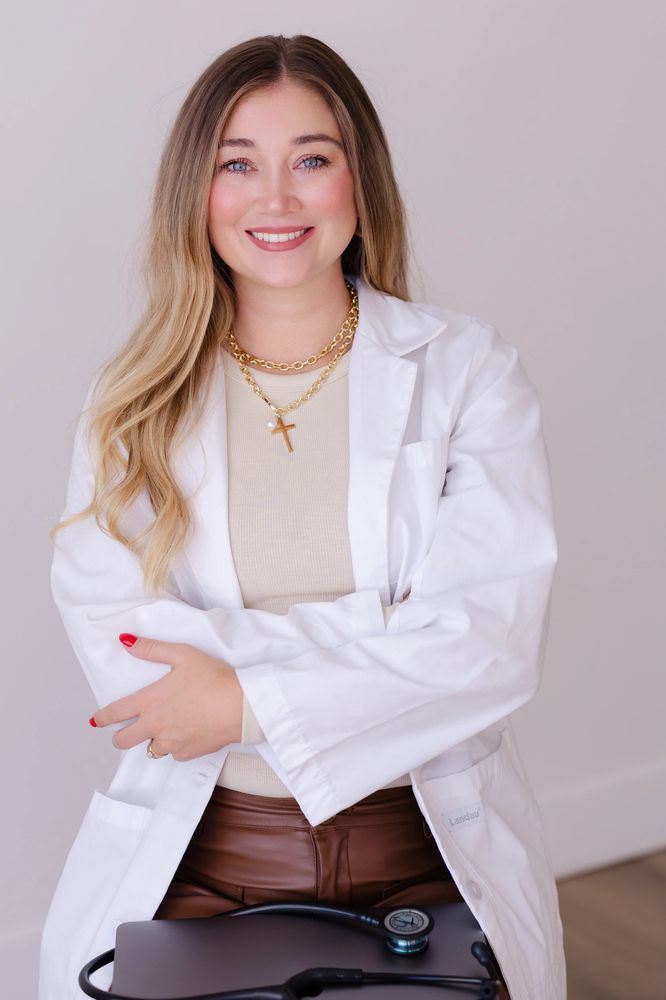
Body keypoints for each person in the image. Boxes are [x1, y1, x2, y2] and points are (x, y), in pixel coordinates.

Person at [39, 33, 565, 1000]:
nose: (274, 200)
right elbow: (138, 666)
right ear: (196, 193)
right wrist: (389, 634)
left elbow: (489, 642)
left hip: (429, 854)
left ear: (358, 181)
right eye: (238, 164)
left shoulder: (468, 373)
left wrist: (239, 699)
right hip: (200, 855)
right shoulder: (132, 401)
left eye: (310, 160)